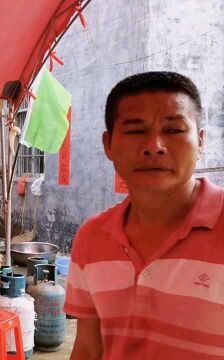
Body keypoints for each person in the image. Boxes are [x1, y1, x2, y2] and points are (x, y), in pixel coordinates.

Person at [65, 72, 224, 359]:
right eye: (136, 131)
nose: (154, 146)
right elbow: (89, 349)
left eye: (174, 130)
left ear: (200, 142)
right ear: (108, 144)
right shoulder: (92, 238)